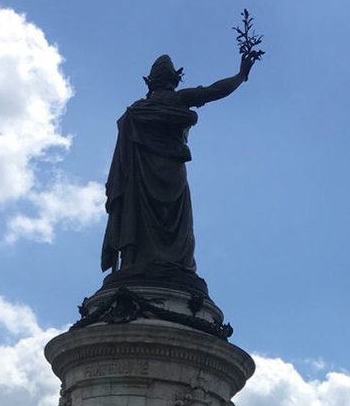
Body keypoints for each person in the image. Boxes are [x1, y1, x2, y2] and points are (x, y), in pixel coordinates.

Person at [101, 51, 256, 279]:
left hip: (140, 175)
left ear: (149, 82)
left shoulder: (135, 112)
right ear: (175, 80)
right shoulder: (179, 99)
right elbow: (214, 91)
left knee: (137, 212)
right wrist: (241, 75)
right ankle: (174, 263)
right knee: (176, 221)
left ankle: (133, 261)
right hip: (172, 172)